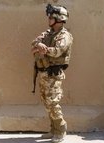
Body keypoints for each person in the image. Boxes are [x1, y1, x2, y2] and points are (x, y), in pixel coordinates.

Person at [31, 4, 73, 143]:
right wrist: (38, 45)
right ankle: (53, 129)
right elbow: (34, 43)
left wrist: (44, 49)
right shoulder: (48, 33)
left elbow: (58, 51)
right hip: (43, 73)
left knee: (53, 102)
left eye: (51, 17)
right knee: (47, 102)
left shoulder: (64, 35)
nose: (49, 19)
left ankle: (61, 130)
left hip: (54, 74)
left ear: (59, 19)